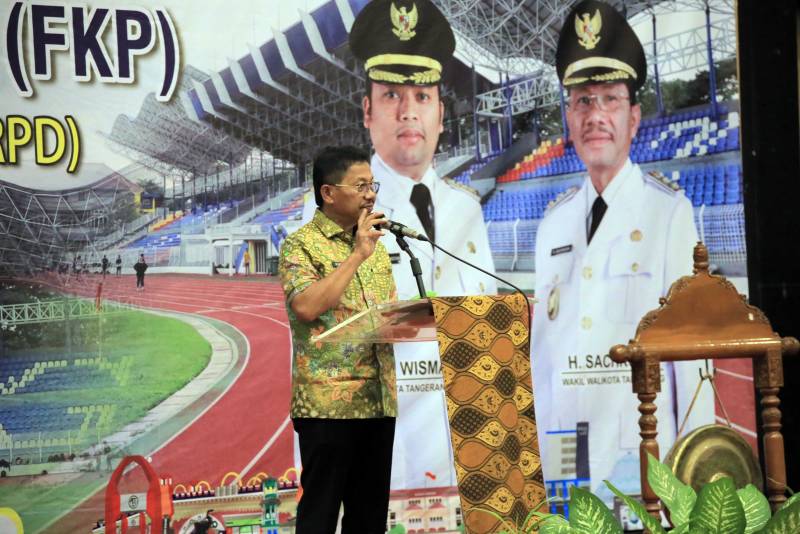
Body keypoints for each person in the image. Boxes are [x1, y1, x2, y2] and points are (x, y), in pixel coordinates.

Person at [531, 0, 713, 505]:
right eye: (583, 101)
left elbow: (692, 356)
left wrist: (695, 477)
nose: (596, 116)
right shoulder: (552, 223)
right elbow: (543, 359)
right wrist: (536, 458)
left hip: (640, 451)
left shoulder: (668, 212)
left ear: (633, 118)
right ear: (569, 118)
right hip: (565, 449)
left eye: (610, 100)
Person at [346, 0, 497, 490]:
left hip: (468, 470)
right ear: (367, 111)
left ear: (440, 114)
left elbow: (490, 347)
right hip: (380, 472)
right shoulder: (332, 216)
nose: (409, 110)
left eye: (423, 96)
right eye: (391, 94)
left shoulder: (467, 210)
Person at [278, 146, 397, 534]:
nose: (370, 195)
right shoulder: (301, 244)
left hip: (377, 401)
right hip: (328, 405)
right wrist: (357, 255)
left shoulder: (376, 247)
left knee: (369, 520)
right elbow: (307, 306)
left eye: (373, 185)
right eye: (360, 186)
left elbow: (386, 312)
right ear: (328, 192)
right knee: (320, 516)